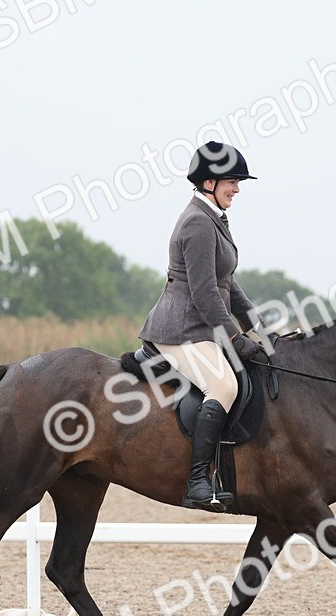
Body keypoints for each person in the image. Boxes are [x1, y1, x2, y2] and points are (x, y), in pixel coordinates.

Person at [139, 141, 261, 512]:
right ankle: (196, 482)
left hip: (199, 327)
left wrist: (259, 325)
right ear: (209, 182)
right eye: (232, 181)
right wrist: (236, 338)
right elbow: (206, 294)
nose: (237, 188)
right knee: (223, 383)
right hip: (180, 329)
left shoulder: (212, 219)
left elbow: (228, 283)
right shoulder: (197, 222)